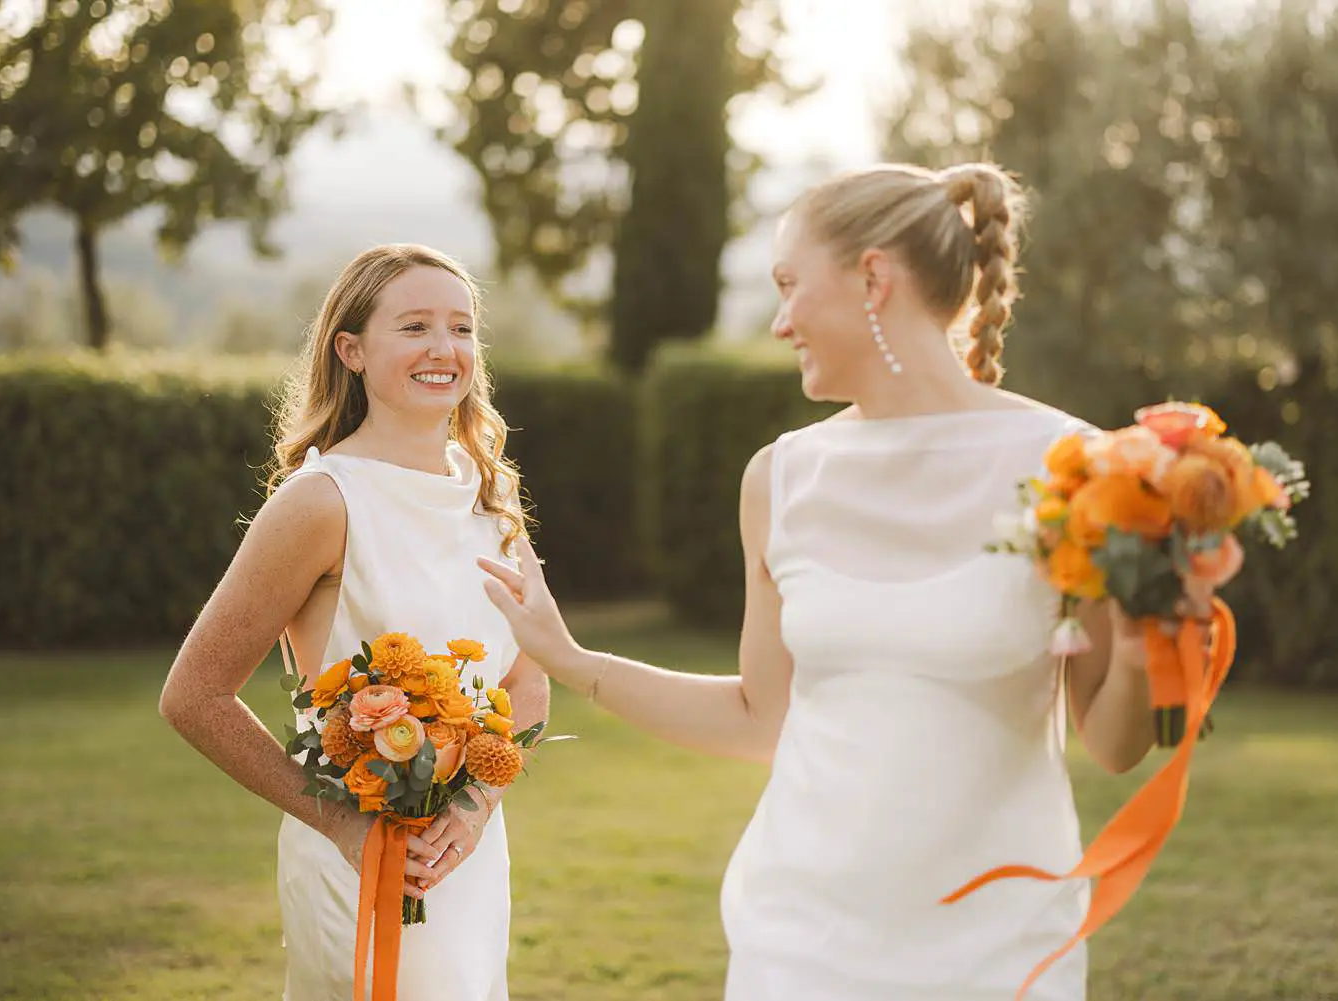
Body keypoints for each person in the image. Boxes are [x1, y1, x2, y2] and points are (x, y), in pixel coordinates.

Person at [477, 163, 1214, 1001]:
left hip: (1002, 944)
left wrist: (1157, 625)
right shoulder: (781, 478)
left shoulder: (1074, 467)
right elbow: (763, 717)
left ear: (874, 277)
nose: (782, 323)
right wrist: (570, 659)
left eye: (791, 286)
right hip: (803, 939)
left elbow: (1115, 743)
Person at [160, 243, 549, 1001]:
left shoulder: (491, 498)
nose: (445, 349)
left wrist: (468, 816)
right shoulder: (321, 501)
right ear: (352, 349)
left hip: (467, 864)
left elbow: (526, 683)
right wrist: (342, 825)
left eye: (462, 328)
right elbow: (194, 693)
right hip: (357, 865)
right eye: (414, 327)